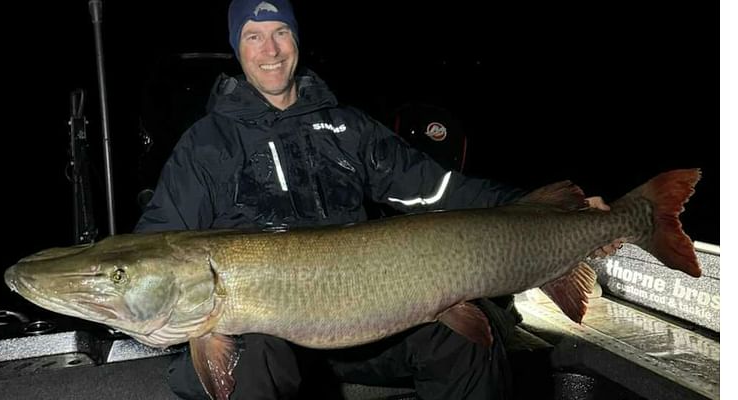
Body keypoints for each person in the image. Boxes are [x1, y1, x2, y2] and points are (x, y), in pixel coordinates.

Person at [134, 1, 621, 398]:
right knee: (254, 359)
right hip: (271, 336)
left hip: (367, 325)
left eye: (280, 31)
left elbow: (440, 189)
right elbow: (156, 249)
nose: (270, 50)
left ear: (297, 40)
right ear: (236, 48)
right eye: (253, 36)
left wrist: (548, 211)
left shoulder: (348, 126)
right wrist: (141, 313)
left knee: (467, 339)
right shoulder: (207, 143)